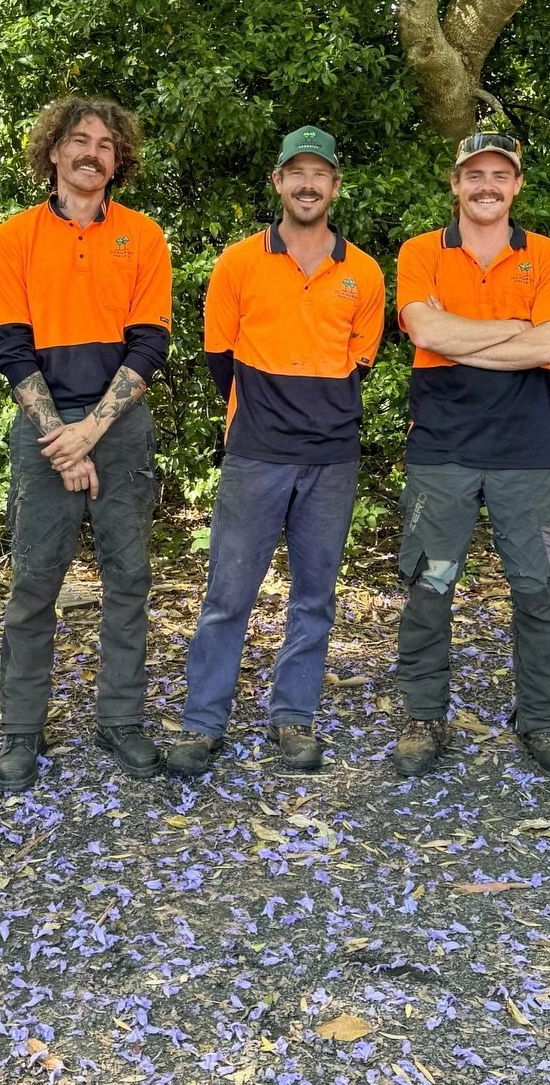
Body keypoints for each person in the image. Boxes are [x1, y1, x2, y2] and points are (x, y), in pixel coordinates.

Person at [166, 126, 385, 777]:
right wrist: (265, 414)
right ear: (278, 182)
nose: (308, 184)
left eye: (320, 173)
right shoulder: (238, 263)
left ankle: (293, 720)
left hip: (332, 458)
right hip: (256, 453)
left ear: (335, 186)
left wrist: (315, 414)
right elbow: (218, 356)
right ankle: (203, 725)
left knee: (315, 597)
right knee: (227, 596)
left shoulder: (365, 272)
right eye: (297, 173)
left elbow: (360, 362)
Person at [0, 96, 171, 790]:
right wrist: (56, 436)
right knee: (34, 585)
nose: (92, 152)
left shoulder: (144, 236)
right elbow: (11, 348)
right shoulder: (16, 237)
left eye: (105, 143)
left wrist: (90, 431)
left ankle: (120, 719)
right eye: (79, 140)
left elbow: (150, 343)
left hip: (119, 430)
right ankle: (20, 731)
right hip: (43, 427)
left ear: (118, 159)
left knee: (129, 580)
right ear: (54, 151)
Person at [392, 129, 550, 778]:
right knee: (429, 588)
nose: (487, 185)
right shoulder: (420, 252)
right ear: (455, 183)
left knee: (536, 591)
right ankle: (423, 717)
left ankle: (544, 721)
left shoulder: (548, 255)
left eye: (500, 175)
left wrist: (462, 338)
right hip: (440, 449)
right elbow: (425, 328)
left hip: (526, 452)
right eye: (475, 174)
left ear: (517, 185)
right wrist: (516, 330)